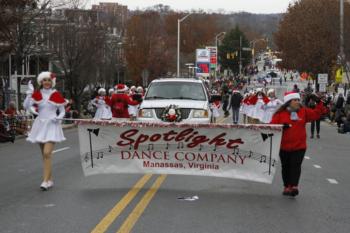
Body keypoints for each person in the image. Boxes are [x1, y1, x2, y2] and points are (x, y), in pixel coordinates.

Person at [271, 91, 326, 197]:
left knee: (296, 165)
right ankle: (287, 186)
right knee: (286, 166)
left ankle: (294, 186)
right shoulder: (280, 114)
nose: (297, 102)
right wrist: (282, 126)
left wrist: (319, 102)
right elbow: (271, 126)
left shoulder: (303, 112)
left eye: (298, 100)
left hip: (299, 146)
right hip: (284, 146)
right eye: (294, 100)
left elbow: (317, 114)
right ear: (288, 102)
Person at [23, 72, 66, 191]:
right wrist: (29, 94)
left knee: (47, 153)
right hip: (40, 125)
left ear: (52, 82)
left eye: (48, 80)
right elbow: (26, 106)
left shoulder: (55, 94)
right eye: (44, 80)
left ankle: (45, 181)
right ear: (41, 81)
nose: (46, 82)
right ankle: (50, 179)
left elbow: (62, 111)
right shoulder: (37, 94)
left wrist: (58, 118)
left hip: (52, 125)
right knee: (44, 155)